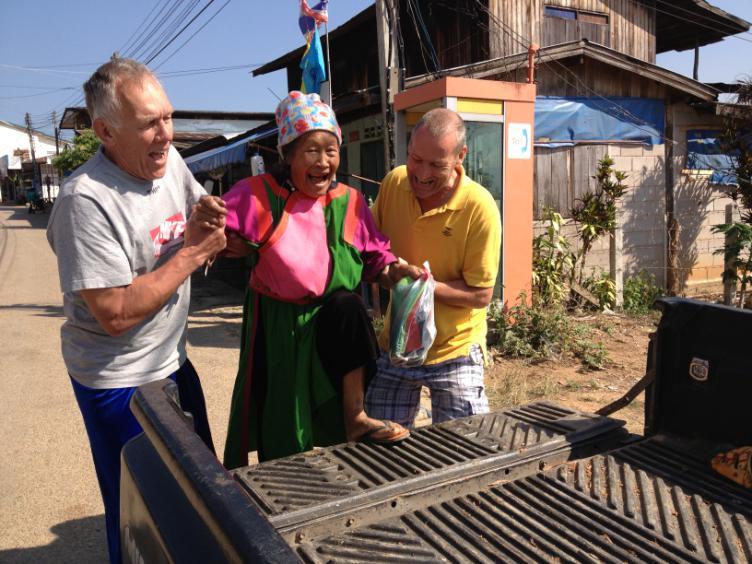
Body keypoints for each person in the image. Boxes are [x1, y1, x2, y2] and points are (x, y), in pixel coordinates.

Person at [46, 57, 226, 564]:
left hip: (171, 357)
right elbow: (117, 312)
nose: (165, 134)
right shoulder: (86, 200)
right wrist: (192, 251)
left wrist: (207, 216)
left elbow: (195, 209)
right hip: (117, 379)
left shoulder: (169, 161)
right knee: (142, 512)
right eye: (149, 123)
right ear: (105, 131)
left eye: (167, 116)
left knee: (201, 494)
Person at [219, 91, 420, 467]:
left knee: (350, 305)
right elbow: (213, 228)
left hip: (331, 326)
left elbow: (377, 260)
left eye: (332, 150)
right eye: (312, 151)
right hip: (279, 326)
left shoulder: (351, 201)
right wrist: (217, 236)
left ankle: (355, 417)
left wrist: (398, 273)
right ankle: (279, 486)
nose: (324, 161)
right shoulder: (261, 195)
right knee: (282, 425)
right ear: (288, 155)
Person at [365, 108, 502, 428]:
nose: (422, 174)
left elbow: (481, 295)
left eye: (436, 165)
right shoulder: (394, 184)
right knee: (378, 446)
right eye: (416, 159)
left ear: (460, 156)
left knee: (465, 449)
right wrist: (387, 273)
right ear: (409, 148)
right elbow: (370, 250)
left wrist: (421, 285)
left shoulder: (478, 207)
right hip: (398, 345)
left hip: (456, 348)